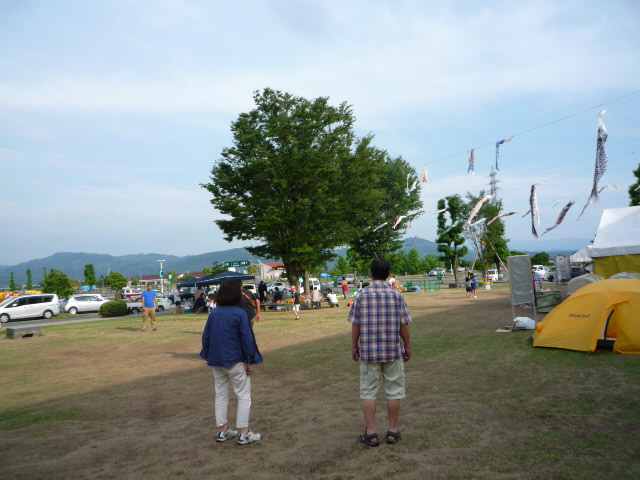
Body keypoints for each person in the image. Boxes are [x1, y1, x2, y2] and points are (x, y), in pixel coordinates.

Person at [348, 258, 411, 447]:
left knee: (368, 392)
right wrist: (407, 346)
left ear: (370, 273)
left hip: (368, 352)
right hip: (392, 350)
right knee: (394, 391)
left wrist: (354, 346)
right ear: (388, 274)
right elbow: (404, 325)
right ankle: (392, 431)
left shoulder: (361, 295)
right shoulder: (397, 295)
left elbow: (355, 324)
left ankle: (371, 433)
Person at [200, 278, 263, 445]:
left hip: (216, 360)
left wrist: (207, 354)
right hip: (236, 360)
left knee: (221, 395)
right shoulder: (239, 313)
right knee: (243, 396)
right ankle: (244, 433)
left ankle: (223, 430)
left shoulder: (214, 313)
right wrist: (250, 360)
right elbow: (247, 339)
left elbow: (206, 336)